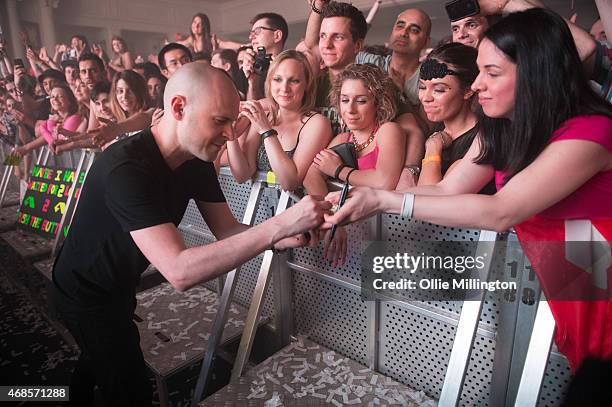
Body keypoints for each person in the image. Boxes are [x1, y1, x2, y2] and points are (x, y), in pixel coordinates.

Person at [326, 8, 612, 373]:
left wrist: (384, 198)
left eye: (491, 73)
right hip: (574, 306)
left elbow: (501, 211)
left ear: (537, 73)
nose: (477, 85)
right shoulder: (504, 129)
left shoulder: (591, 132)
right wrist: (362, 199)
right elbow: (447, 189)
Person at [52, 63, 329, 406]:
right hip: (83, 290)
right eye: (220, 121)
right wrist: (280, 224)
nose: (230, 135)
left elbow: (227, 230)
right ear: (179, 107)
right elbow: (180, 271)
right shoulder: (124, 167)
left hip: (119, 283)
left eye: (233, 121)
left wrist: (285, 236)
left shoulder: (196, 160)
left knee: (98, 363)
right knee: (129, 387)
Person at [310, 63, 405, 191]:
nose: (350, 109)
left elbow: (385, 182)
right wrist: (326, 207)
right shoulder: (342, 139)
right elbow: (311, 176)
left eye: (361, 101)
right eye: (345, 100)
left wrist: (339, 170)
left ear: (379, 103)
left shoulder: (388, 130)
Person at [416, 43, 495, 194]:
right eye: (422, 87)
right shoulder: (439, 127)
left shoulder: (481, 142)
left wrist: (433, 148)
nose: (426, 98)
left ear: (467, 91)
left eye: (439, 90)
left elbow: (427, 203)